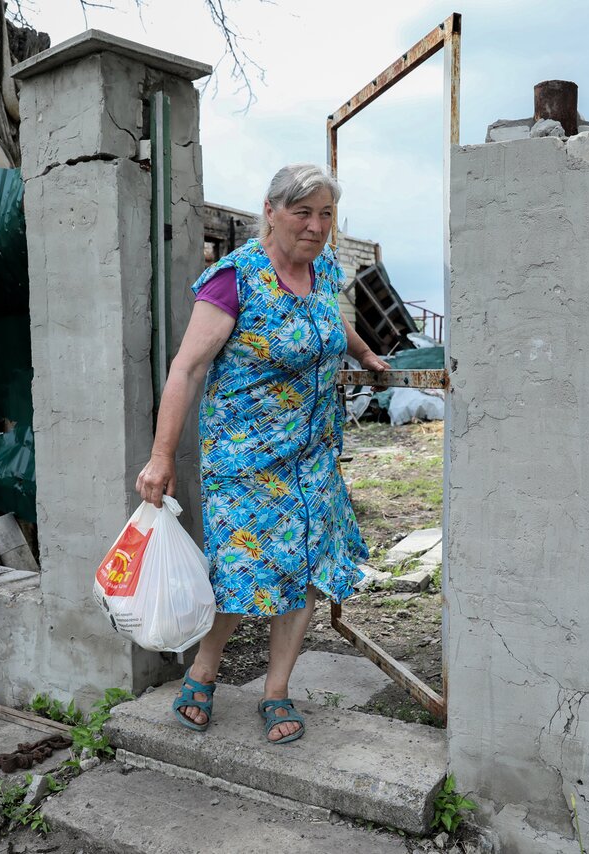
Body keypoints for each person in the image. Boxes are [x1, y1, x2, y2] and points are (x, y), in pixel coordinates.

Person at [135, 163, 389, 744]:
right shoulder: (235, 279)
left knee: (302, 572)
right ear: (271, 211)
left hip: (313, 459)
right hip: (246, 463)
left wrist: (369, 354)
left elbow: (332, 324)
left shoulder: (324, 270)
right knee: (240, 571)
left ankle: (276, 691)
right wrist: (162, 455)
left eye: (326, 214)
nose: (317, 226)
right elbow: (188, 367)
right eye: (303, 212)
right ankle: (204, 671)